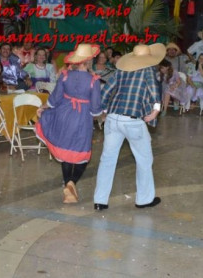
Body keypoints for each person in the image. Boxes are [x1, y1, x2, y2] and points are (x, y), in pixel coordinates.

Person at [93, 43, 165, 211]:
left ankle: (100, 200)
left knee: (107, 160)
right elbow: (155, 90)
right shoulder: (148, 70)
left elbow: (106, 90)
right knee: (144, 160)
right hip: (133, 120)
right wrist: (156, 110)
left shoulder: (121, 70)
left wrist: (103, 110)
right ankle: (144, 199)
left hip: (113, 118)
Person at [35, 44, 102, 204]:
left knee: (66, 153)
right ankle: (71, 183)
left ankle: (68, 187)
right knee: (82, 154)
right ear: (90, 60)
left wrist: (44, 107)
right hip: (82, 118)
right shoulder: (94, 81)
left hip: (64, 115)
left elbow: (55, 99)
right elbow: (95, 110)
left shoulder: (65, 75)